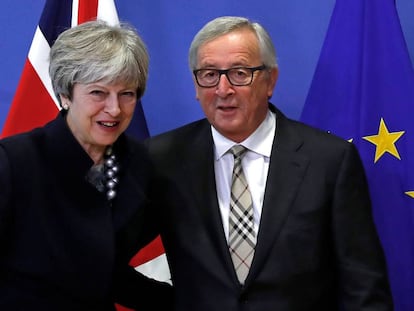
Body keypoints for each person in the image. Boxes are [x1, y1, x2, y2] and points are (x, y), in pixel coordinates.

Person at [146, 16, 393, 310]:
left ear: (270, 80)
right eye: (210, 75)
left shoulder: (329, 161)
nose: (223, 89)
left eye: (239, 73)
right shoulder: (162, 158)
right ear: (196, 85)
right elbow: (105, 255)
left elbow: (364, 288)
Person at [0, 20, 172, 311]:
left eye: (127, 94)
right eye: (98, 93)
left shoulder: (139, 165)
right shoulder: (14, 163)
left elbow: (105, 273)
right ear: (66, 95)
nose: (114, 109)